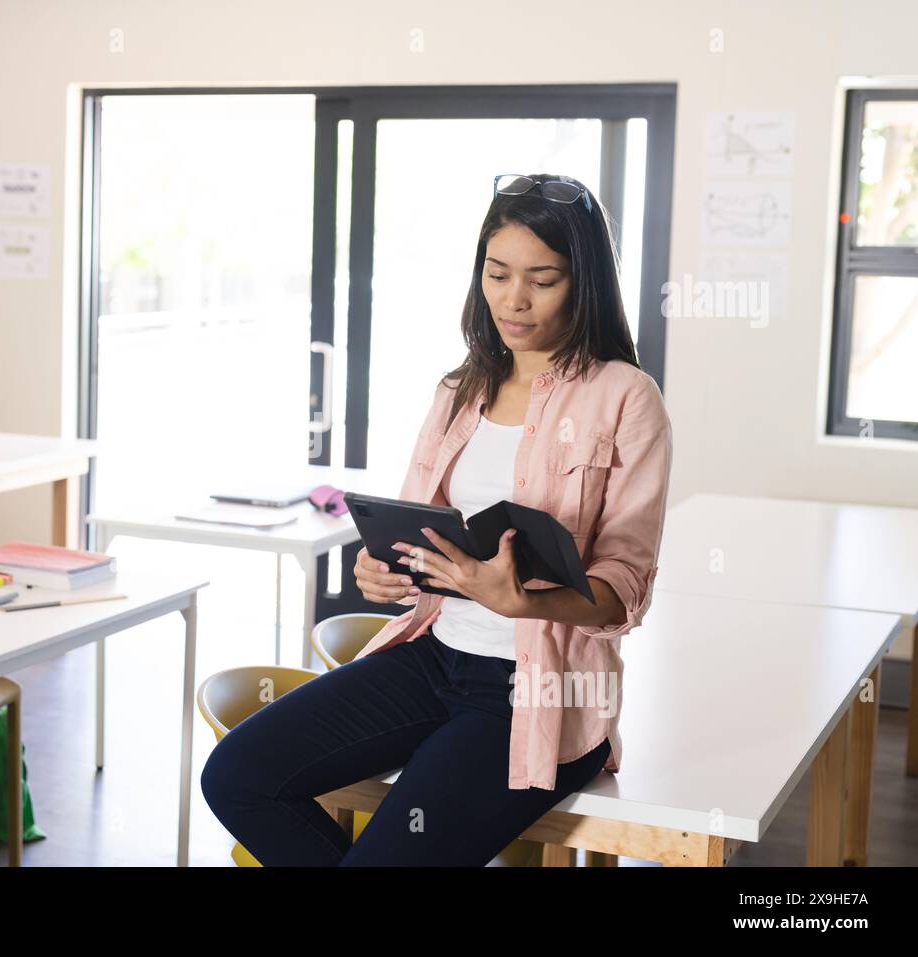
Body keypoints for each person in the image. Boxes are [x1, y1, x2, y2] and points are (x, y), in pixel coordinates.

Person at [201, 173, 673, 866]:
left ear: (585, 281)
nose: (514, 298)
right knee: (237, 775)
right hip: (432, 657)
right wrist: (385, 570)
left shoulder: (627, 397)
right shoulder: (460, 390)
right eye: (498, 272)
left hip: (538, 689)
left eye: (542, 278)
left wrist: (520, 599)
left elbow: (626, 589)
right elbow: (419, 533)